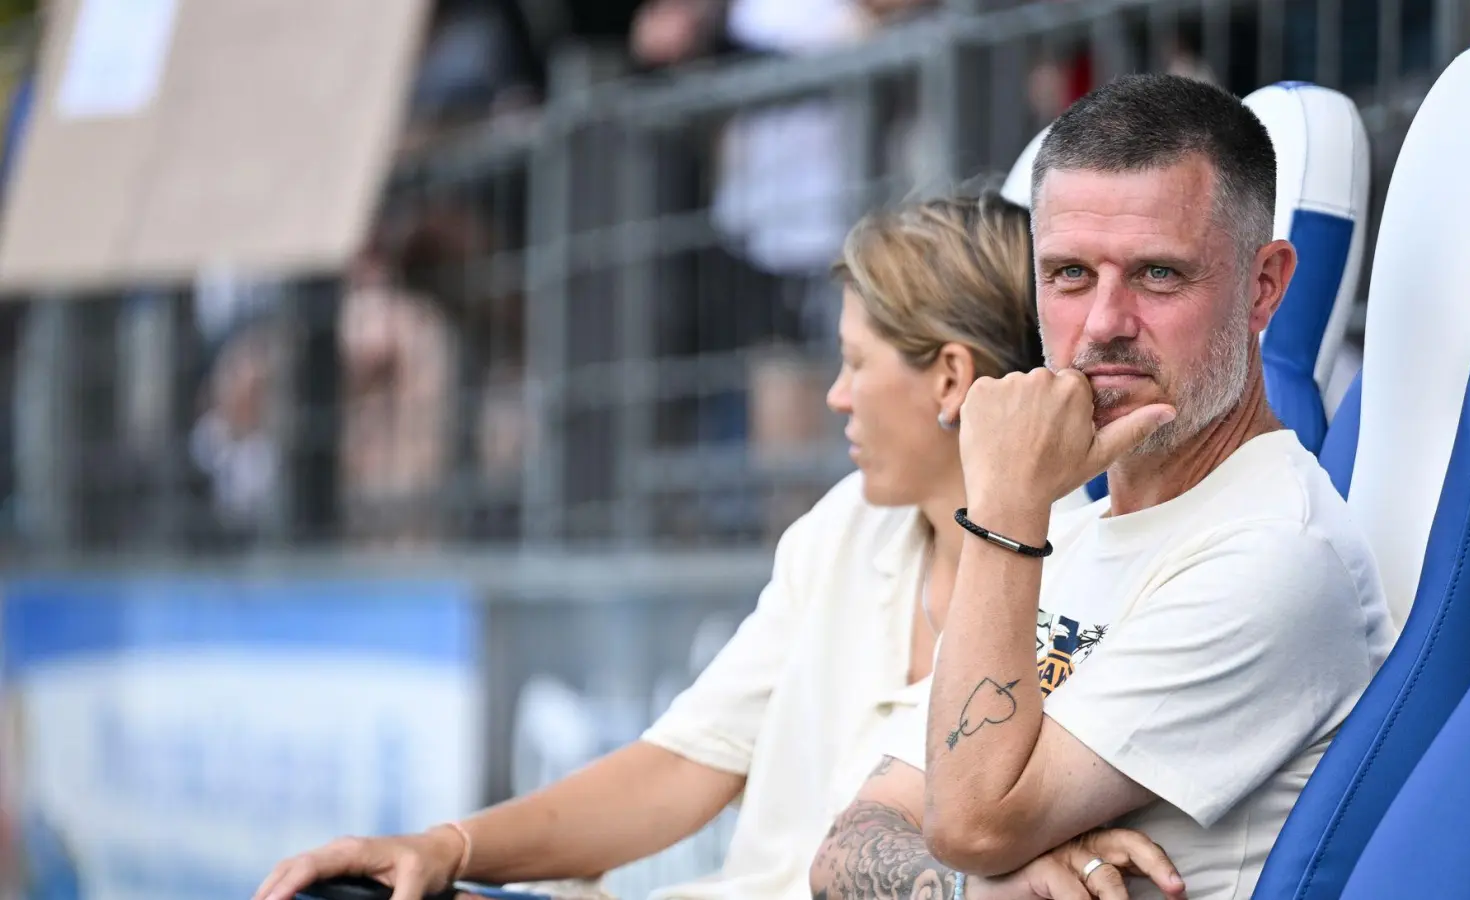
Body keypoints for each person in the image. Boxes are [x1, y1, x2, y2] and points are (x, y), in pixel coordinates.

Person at [253, 190, 1180, 900]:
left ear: (948, 377)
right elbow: (679, 768)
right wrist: (446, 847)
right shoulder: (845, 525)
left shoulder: (1096, 568)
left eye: (855, 363)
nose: (835, 397)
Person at [810, 74, 1396, 900]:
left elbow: (967, 820)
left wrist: (1008, 505)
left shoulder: (1276, 555)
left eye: (1158, 274)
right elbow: (846, 847)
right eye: (1070, 274)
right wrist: (978, 886)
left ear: (1263, 285)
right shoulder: (1075, 534)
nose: (1104, 322)